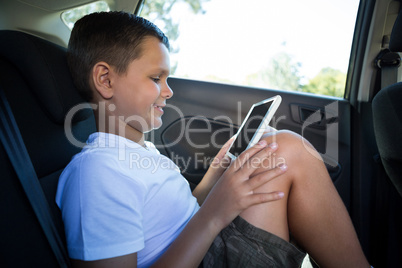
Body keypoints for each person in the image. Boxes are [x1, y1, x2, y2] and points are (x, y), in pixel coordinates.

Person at [56, 11, 370, 268]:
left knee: (269, 143)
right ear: (105, 79)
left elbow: (179, 213)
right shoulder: (97, 173)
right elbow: (194, 223)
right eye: (156, 79)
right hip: (204, 254)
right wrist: (213, 216)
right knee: (286, 148)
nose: (169, 91)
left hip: (204, 243)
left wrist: (217, 173)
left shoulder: (139, 151)